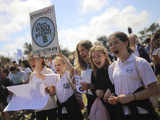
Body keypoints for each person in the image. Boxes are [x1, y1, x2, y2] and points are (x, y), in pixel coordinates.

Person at [106, 32, 159, 120]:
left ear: (126, 43)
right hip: (122, 114)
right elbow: (119, 89)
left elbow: (155, 90)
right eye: (110, 45)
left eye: (116, 42)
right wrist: (114, 98)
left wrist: (132, 97)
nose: (113, 47)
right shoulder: (112, 68)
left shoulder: (140, 62)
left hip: (142, 113)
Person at [87, 45, 122, 120]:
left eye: (99, 56)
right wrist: (96, 91)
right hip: (103, 106)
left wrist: (110, 90)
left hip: (116, 105)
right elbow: (95, 87)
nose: (96, 59)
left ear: (105, 56)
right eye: (93, 57)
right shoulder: (94, 73)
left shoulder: (112, 68)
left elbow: (118, 83)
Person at [54, 54, 83, 120]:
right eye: (55, 65)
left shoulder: (67, 75)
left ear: (64, 65)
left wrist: (63, 57)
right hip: (62, 108)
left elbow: (72, 70)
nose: (57, 67)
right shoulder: (56, 78)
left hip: (72, 106)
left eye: (59, 65)